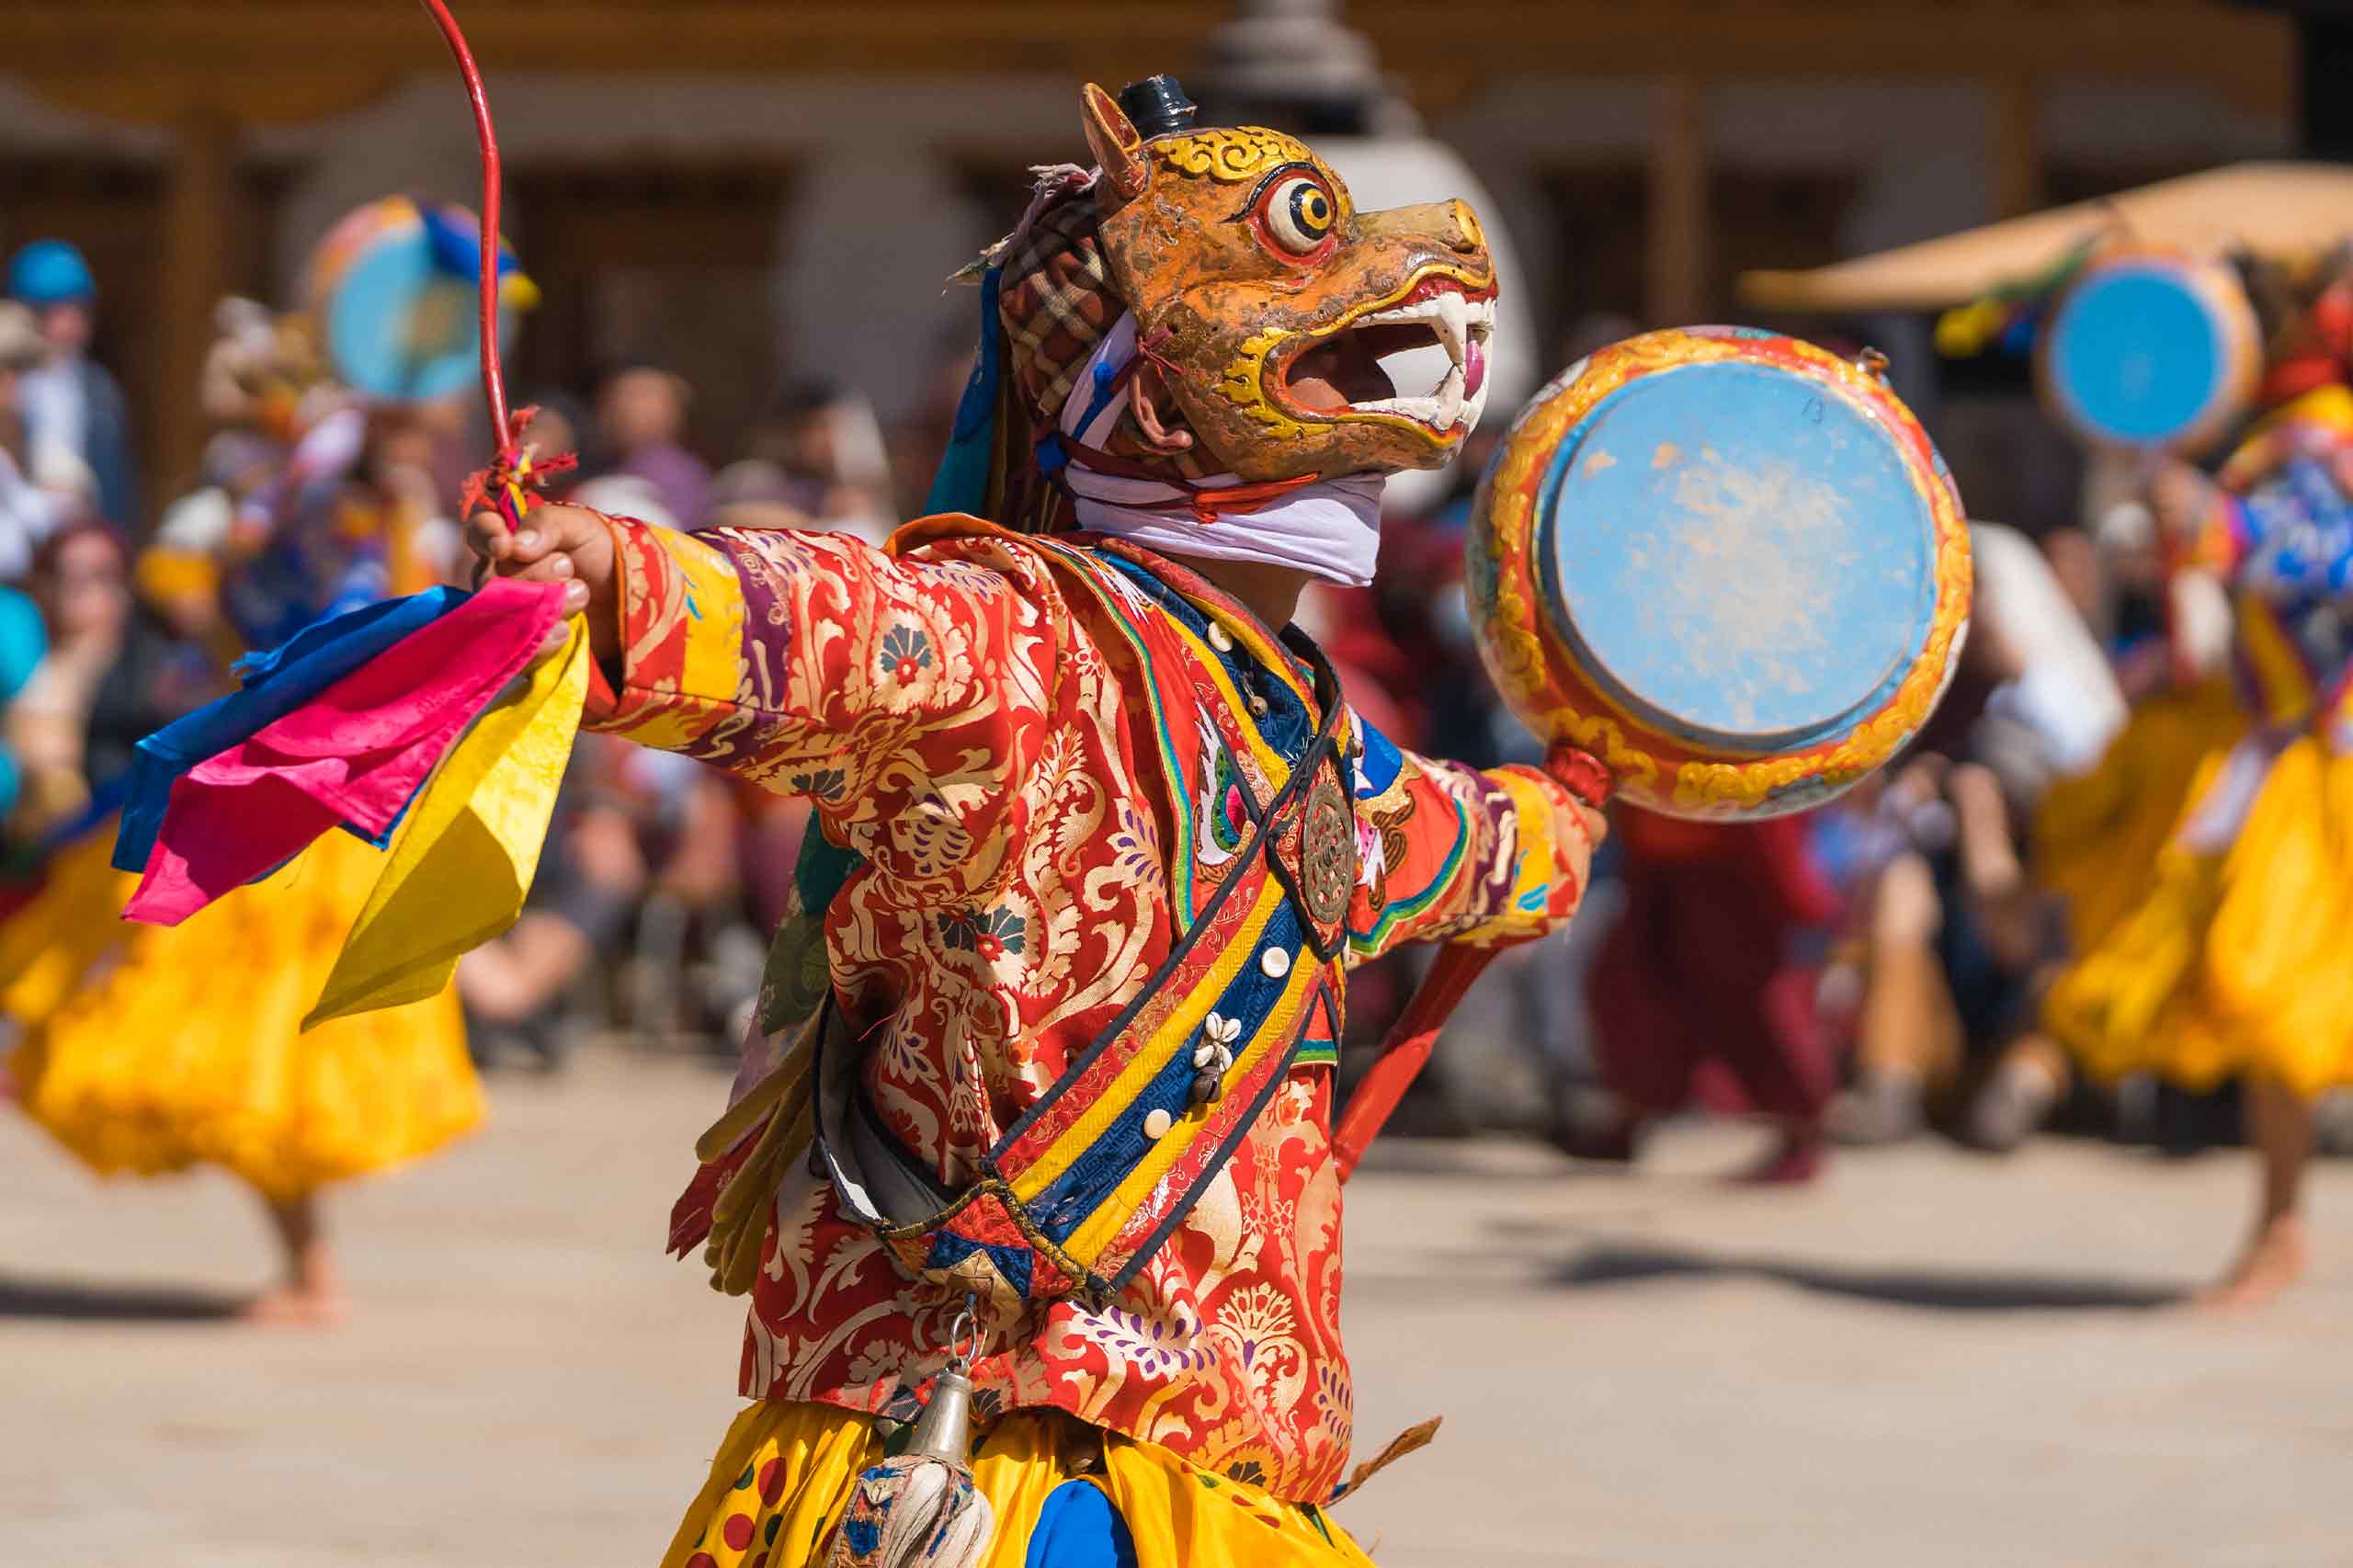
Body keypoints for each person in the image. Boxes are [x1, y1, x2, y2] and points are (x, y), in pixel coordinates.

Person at [469, 83, 1605, 1566]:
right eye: (1310, 304)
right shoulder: (1014, 643)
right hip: (972, 1466)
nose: (1371, 371)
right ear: (1157, 398)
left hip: (1210, 1472)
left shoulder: (1312, 738)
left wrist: (1584, 790)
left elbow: (1476, 841)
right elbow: (826, 624)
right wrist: (615, 574)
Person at [0, 225, 483, 1325]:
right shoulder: (301, 491)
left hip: (292, 795)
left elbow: (225, 579)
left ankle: (312, 1270)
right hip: (266, 773)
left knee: (264, 1033)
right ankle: (308, 1265)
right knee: (213, 1006)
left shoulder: (330, 490)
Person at [2042, 244, 2353, 1307]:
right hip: (2288, 755)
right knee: (2266, 990)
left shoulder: (2314, 438)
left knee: (2271, 982)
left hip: (2324, 760)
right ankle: (2278, 1227)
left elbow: (2329, 558)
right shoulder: (2279, 436)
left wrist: (2224, 526)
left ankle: (2277, 1227)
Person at [6, 239, 139, 531]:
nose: (69, 327)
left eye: (79, 312)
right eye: (52, 313)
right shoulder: (10, 382)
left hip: (81, 539)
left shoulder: (102, 389)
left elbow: (116, 487)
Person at [595, 362, 711, 528]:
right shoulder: (600, 468)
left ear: (675, 411)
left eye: (645, 397)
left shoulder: (678, 473)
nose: (630, 408)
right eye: (621, 396)